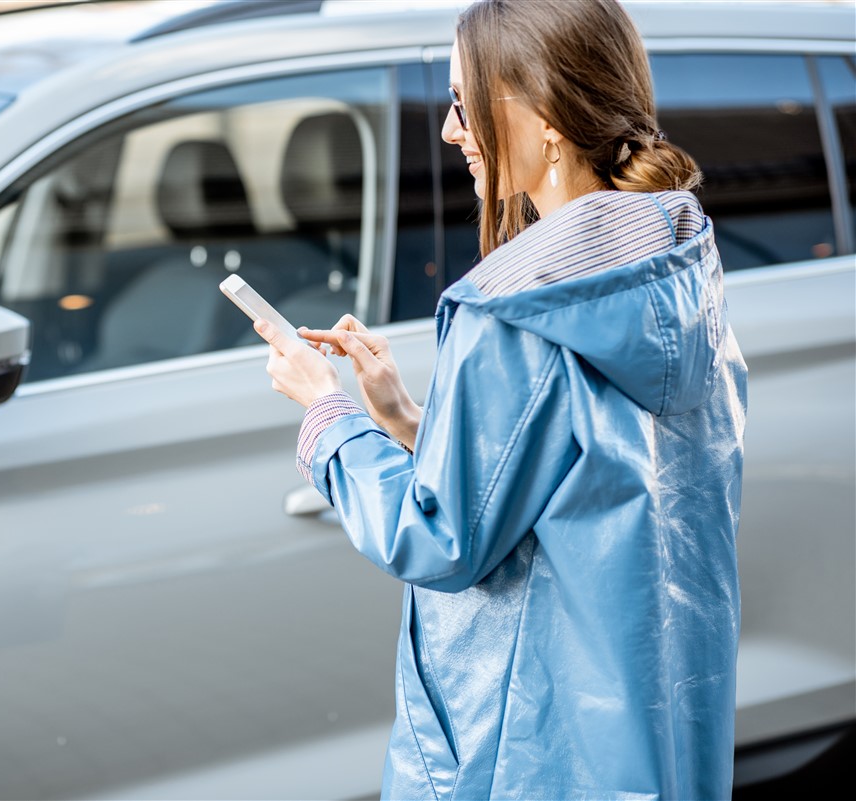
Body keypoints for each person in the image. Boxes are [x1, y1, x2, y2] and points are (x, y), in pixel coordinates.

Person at [251, 1, 747, 799]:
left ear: (546, 115)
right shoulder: (681, 271)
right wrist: (408, 421)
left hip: (526, 755)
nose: (451, 129)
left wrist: (329, 414)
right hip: (657, 739)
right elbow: (578, 483)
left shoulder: (511, 310)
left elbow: (437, 538)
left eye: (463, 99)